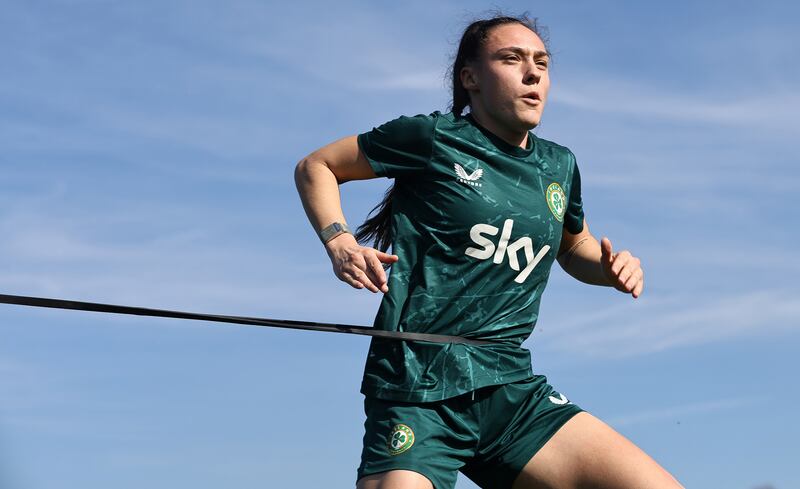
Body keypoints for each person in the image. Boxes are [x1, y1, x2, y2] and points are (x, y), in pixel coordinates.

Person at [295, 14, 683, 489]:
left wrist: (607, 268)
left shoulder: (559, 165)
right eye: (512, 58)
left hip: (510, 389)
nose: (533, 72)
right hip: (418, 386)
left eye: (542, 62)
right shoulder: (432, 138)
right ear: (470, 78)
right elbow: (317, 166)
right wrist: (339, 241)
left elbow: (574, 244)